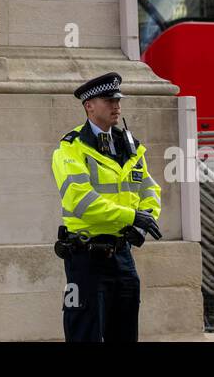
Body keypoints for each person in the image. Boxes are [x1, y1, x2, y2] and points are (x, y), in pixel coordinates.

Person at [51, 71, 162, 342]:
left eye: (117, 99)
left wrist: (141, 225)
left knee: (125, 333)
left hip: (122, 256)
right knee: (84, 333)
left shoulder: (131, 146)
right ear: (89, 106)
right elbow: (81, 201)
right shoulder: (70, 149)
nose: (116, 105)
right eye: (108, 99)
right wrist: (131, 215)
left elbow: (150, 190)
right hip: (85, 257)